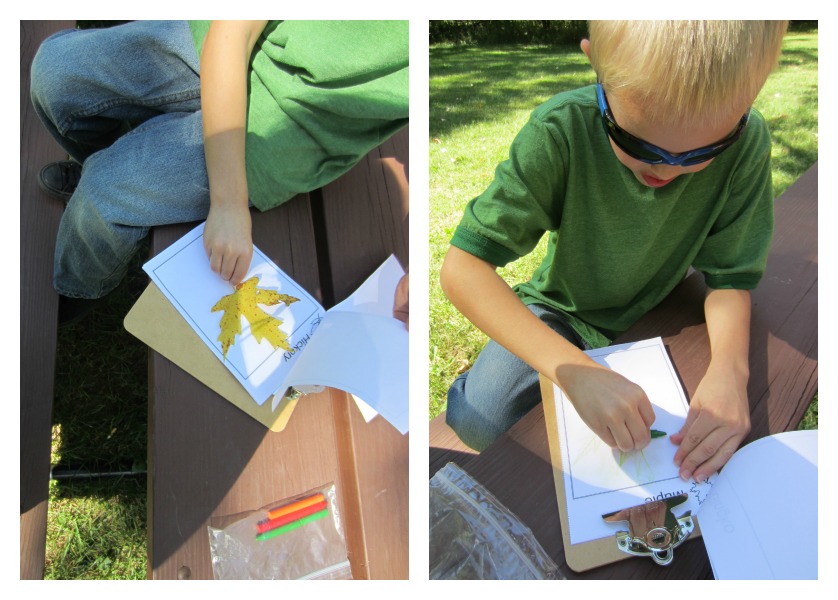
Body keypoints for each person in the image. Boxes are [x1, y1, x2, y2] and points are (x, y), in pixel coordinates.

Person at [440, 21, 788, 484]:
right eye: (636, 142)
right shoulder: (560, 131)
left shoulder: (747, 143)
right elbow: (463, 266)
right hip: (562, 312)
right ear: (597, 64)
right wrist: (576, 372)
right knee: (479, 421)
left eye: (703, 153)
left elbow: (730, 278)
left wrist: (731, 372)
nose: (665, 169)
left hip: (666, 307)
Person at [30, 20, 409, 326]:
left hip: (300, 128)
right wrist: (227, 203)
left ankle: (74, 295)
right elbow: (231, 31)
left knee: (105, 192)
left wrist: (230, 204)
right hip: (243, 41)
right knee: (55, 70)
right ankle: (110, 166)